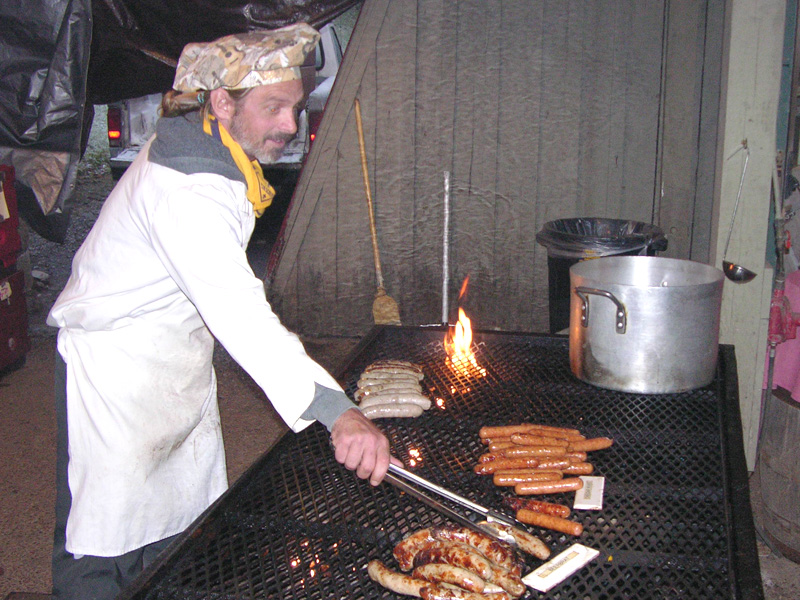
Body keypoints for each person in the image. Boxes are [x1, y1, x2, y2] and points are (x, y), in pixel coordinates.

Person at [47, 23, 398, 600]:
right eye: (273, 107)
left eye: (296, 106)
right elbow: (241, 314)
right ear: (221, 102)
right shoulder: (187, 191)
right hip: (113, 375)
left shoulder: (214, 150)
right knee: (100, 543)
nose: (290, 124)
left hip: (170, 361)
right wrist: (337, 411)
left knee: (175, 530)